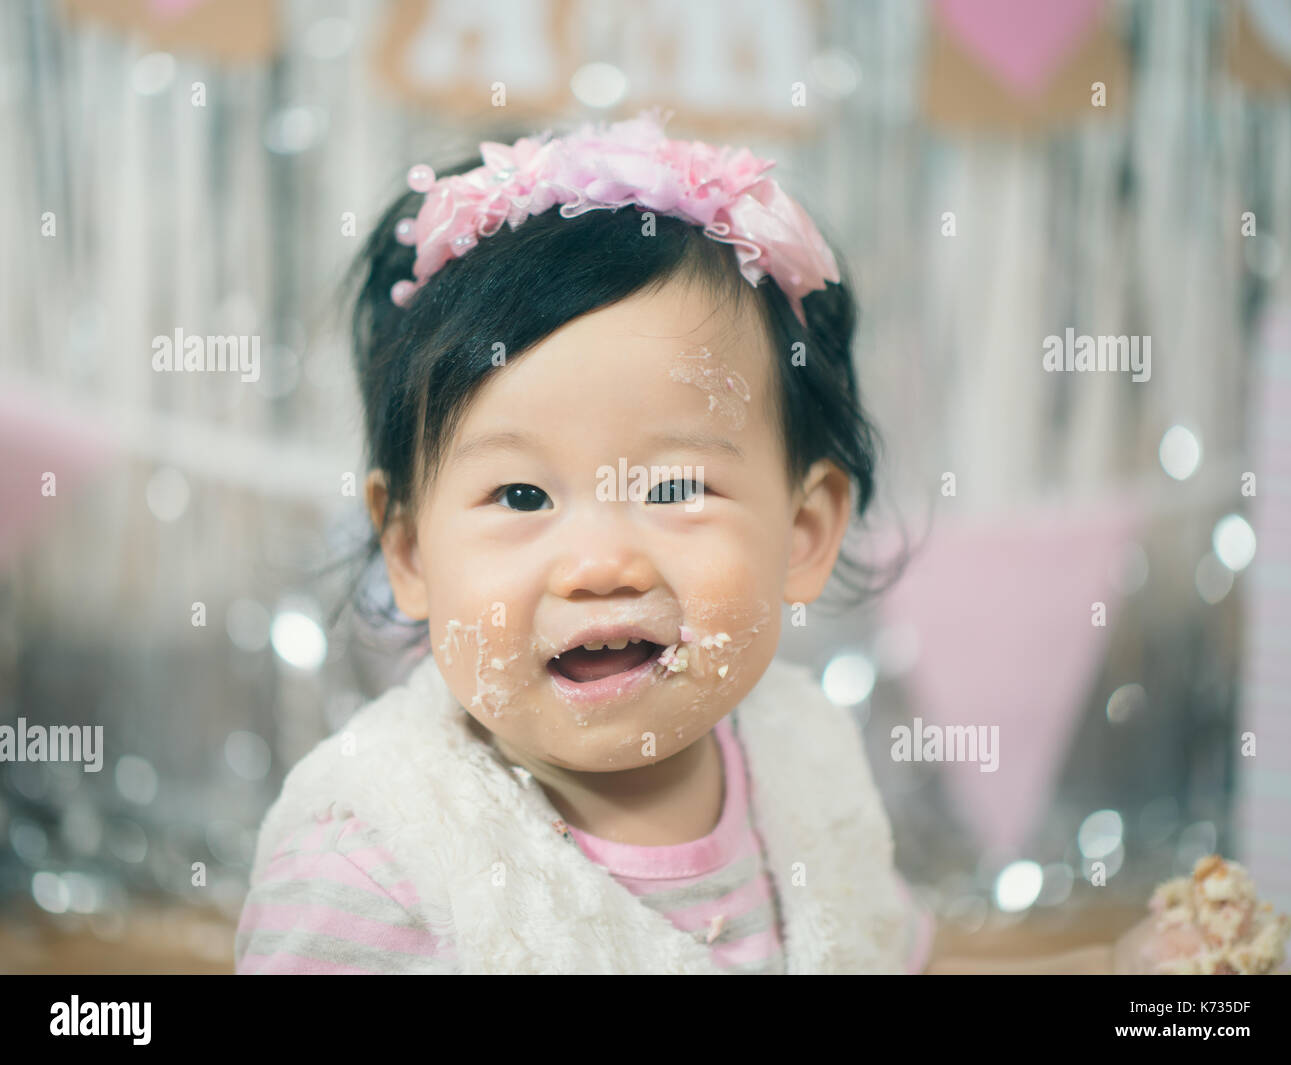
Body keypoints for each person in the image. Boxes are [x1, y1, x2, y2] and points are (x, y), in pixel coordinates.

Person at [235, 108, 1172, 974]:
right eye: (521, 493)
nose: (602, 562)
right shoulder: (376, 858)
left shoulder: (799, 771)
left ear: (802, 532)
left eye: (675, 486)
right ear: (408, 553)